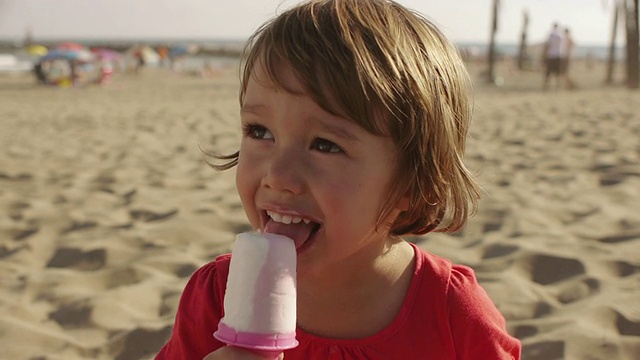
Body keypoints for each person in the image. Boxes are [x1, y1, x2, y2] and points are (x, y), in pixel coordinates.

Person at [156, 1, 521, 359]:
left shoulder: (455, 316)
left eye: (326, 145)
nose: (278, 176)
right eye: (260, 131)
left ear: (414, 182)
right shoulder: (216, 295)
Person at [542, 22, 564, 91]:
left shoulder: (551, 35)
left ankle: (546, 87)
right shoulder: (560, 36)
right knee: (557, 73)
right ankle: (557, 88)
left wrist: (543, 55)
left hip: (551, 56)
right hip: (558, 56)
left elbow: (547, 46)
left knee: (548, 73)